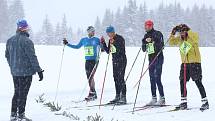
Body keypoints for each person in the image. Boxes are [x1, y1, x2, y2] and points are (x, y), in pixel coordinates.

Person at [5, 19, 44, 121]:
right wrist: (39, 71)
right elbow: (32, 57)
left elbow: (7, 55)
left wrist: (12, 66)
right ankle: (21, 115)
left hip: (15, 73)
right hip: (26, 73)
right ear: (25, 28)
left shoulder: (10, 40)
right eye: (26, 27)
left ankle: (13, 115)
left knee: (17, 92)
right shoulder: (27, 41)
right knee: (23, 94)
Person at [169, 24, 209, 111]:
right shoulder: (180, 39)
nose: (182, 33)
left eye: (183, 31)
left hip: (195, 63)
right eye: (180, 32)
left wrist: (188, 30)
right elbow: (171, 42)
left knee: (198, 81)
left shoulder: (192, 36)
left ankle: (205, 102)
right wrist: (172, 33)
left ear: (187, 31)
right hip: (184, 63)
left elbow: (196, 38)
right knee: (182, 81)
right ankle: (184, 102)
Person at [63, 26, 101, 101]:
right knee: (88, 77)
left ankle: (92, 93)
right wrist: (67, 44)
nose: (93, 32)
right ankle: (93, 93)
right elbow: (77, 47)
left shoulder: (97, 40)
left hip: (95, 61)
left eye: (94, 31)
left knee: (91, 76)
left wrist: (102, 45)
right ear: (88, 32)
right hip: (87, 61)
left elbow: (102, 47)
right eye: (91, 31)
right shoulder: (84, 40)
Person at [100, 26, 127, 104]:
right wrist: (103, 43)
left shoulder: (120, 38)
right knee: (115, 78)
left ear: (113, 32)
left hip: (121, 60)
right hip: (114, 61)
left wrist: (113, 43)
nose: (109, 34)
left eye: (110, 33)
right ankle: (117, 95)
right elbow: (108, 51)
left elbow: (120, 50)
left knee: (121, 78)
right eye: (107, 33)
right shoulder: (110, 40)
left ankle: (123, 97)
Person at [142, 20, 165, 105]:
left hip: (158, 58)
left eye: (148, 26)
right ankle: (154, 98)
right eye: (146, 26)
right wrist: (145, 42)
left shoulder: (158, 33)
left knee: (157, 78)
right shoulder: (145, 35)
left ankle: (162, 98)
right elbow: (144, 49)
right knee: (151, 78)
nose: (147, 27)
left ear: (152, 26)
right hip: (151, 59)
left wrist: (152, 40)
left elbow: (161, 45)